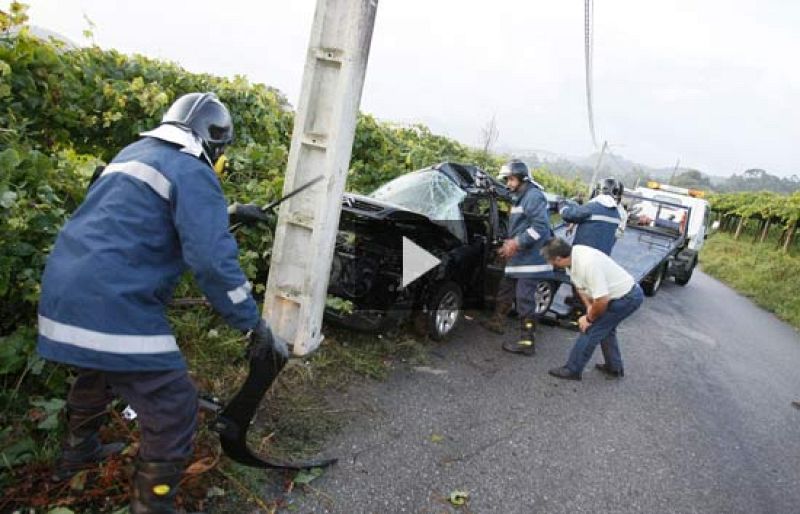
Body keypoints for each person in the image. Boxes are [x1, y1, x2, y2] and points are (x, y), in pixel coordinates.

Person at [37, 92, 287, 513]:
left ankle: (75, 459)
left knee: (97, 370)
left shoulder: (131, 153)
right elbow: (211, 260)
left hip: (64, 293)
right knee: (174, 405)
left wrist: (225, 213)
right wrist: (250, 323)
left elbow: (135, 214)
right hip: (114, 303)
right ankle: (152, 506)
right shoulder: (194, 170)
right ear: (214, 143)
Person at [541, 238, 644, 380]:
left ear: (558, 258)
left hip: (626, 297)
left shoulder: (587, 264)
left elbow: (602, 301)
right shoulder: (572, 257)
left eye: (550, 260)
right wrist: (589, 308)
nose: (549, 263)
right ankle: (614, 367)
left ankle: (573, 370)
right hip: (618, 296)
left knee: (591, 330)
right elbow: (580, 288)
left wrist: (589, 319)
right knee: (606, 329)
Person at [496, 159, 554, 355]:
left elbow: (540, 228)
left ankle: (527, 342)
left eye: (511, 179)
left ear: (523, 178)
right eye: (507, 180)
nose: (508, 184)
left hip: (531, 262)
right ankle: (497, 322)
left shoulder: (533, 197)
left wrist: (515, 243)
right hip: (519, 260)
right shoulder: (520, 196)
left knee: (524, 301)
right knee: (505, 289)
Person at [559, 177, 627, 256]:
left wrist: (562, 204)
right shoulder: (617, 213)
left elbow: (569, 215)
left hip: (583, 253)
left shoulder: (592, 207)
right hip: (602, 254)